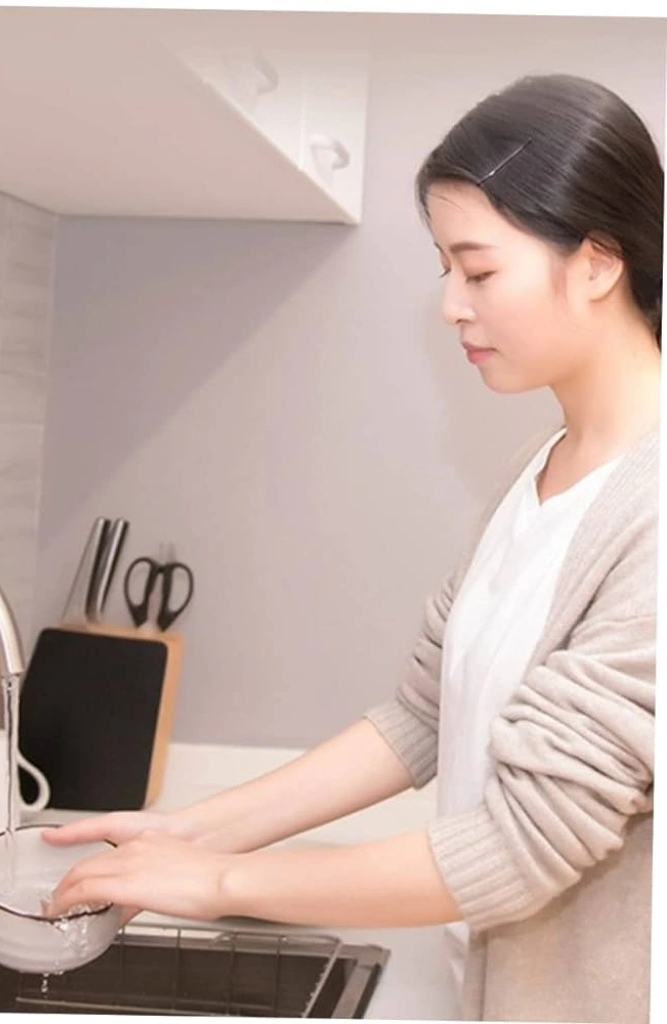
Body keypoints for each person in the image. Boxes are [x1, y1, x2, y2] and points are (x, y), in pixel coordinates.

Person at [42, 73, 661, 1024]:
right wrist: (191, 831)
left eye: (479, 271)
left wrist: (218, 883)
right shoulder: (540, 471)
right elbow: (423, 716)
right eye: (445, 269)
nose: (450, 305)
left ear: (597, 262)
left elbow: (521, 846)